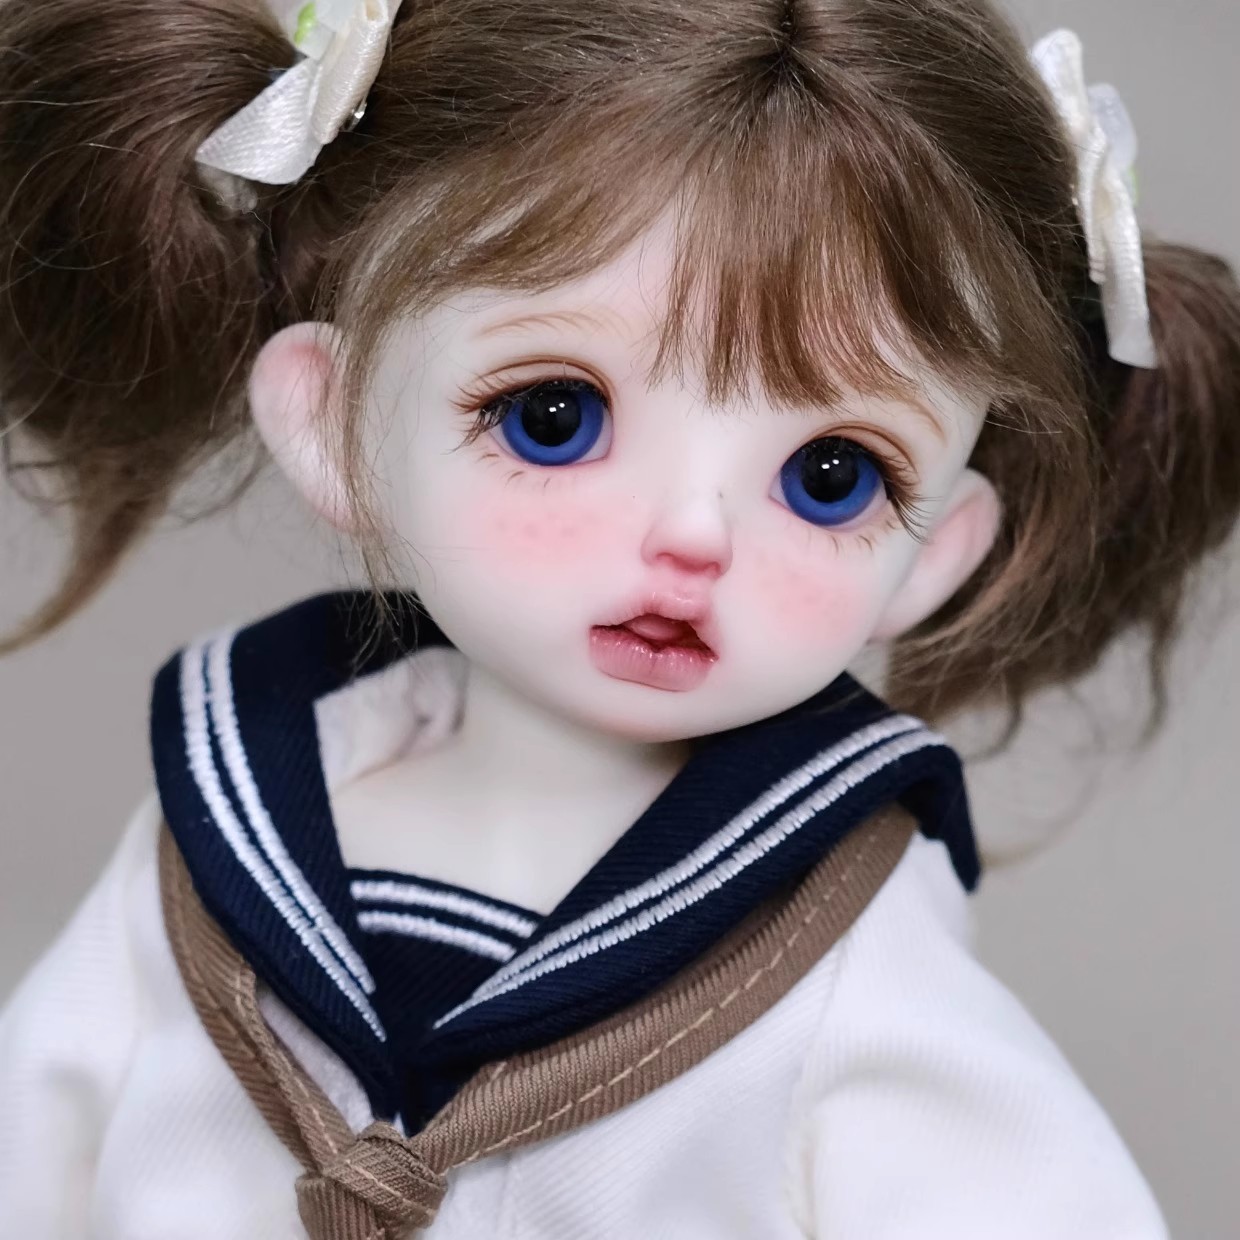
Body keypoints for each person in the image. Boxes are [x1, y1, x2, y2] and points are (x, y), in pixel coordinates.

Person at [1, 0, 1237, 1235]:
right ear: (334, 423)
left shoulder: (836, 949)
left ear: (935, 555)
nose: (693, 533)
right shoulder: (216, 824)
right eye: (555, 416)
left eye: (831, 477)